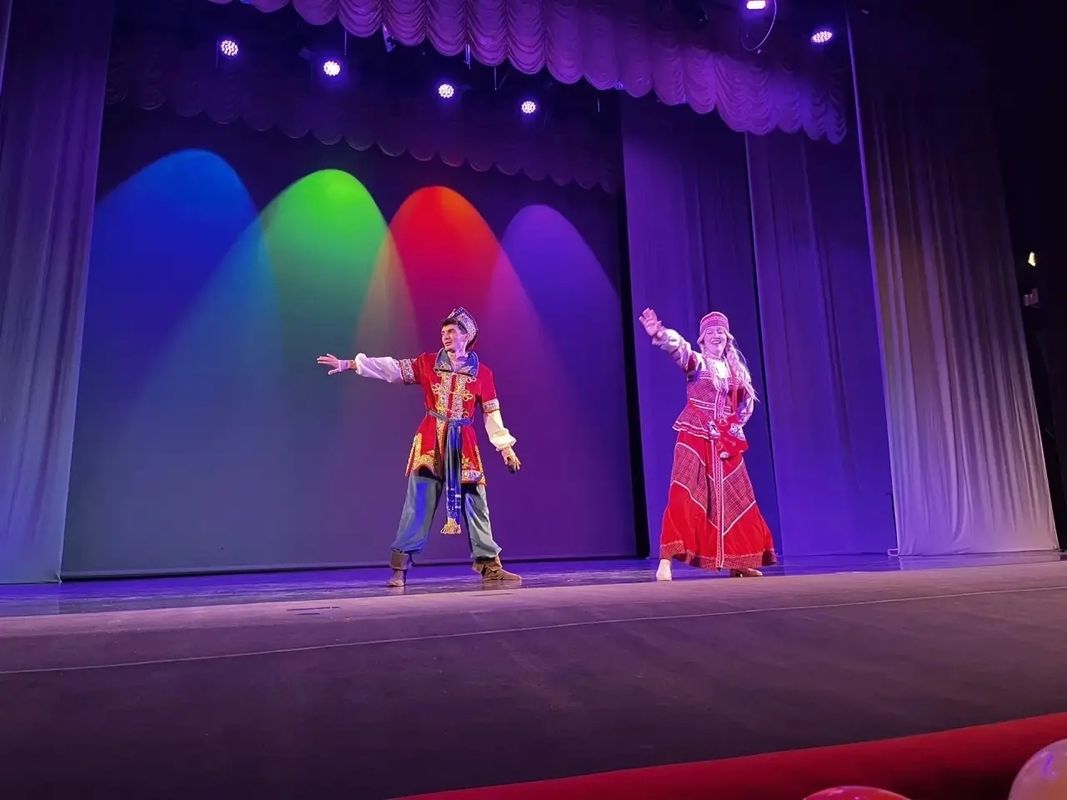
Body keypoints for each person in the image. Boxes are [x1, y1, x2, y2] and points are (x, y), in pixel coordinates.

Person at [316, 307, 522, 587]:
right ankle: (399, 568)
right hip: (430, 442)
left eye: (452, 331)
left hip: (463, 445)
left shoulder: (482, 374)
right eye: (443, 332)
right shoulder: (427, 363)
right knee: (418, 504)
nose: (445, 336)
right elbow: (391, 368)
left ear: (466, 337)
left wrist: (506, 448)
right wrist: (350, 364)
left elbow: (491, 414)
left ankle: (490, 566)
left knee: (476, 504)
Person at [638, 307, 776, 580]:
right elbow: (679, 349)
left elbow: (746, 407)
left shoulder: (738, 373)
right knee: (684, 492)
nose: (716, 336)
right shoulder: (698, 363)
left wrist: (733, 427)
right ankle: (666, 559)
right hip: (695, 434)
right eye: (710, 332)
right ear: (702, 339)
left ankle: (738, 561)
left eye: (720, 332)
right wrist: (661, 334)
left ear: (727, 338)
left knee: (737, 498)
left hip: (725, 441)